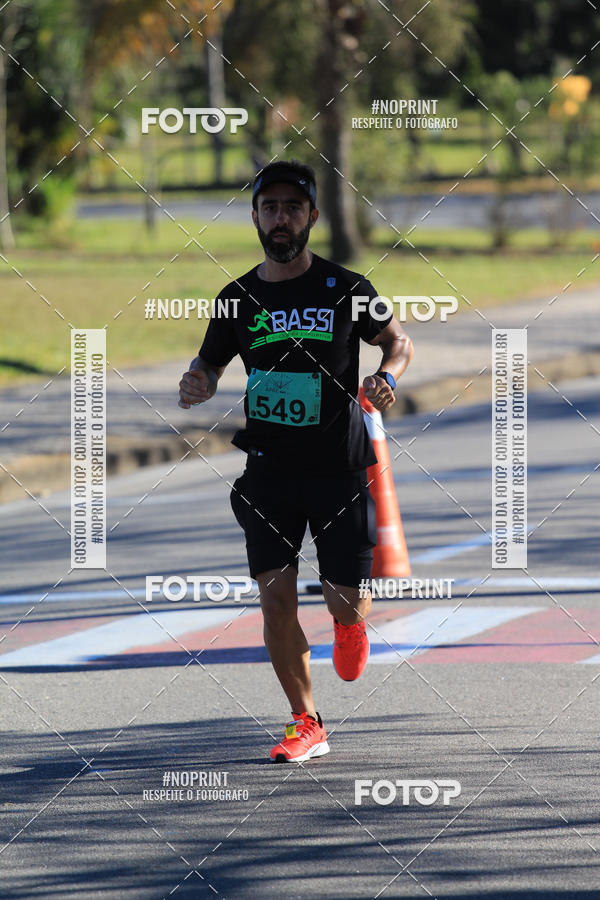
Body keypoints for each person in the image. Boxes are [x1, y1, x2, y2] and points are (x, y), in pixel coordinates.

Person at [178, 160, 413, 762]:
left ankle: (350, 621)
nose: (280, 218)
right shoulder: (238, 298)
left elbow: (397, 340)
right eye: (269, 207)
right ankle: (305, 720)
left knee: (344, 597)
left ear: (311, 215)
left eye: (292, 207)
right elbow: (209, 362)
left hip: (338, 469)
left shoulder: (347, 289)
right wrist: (198, 380)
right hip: (269, 471)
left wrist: (387, 375)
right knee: (274, 598)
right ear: (255, 216)